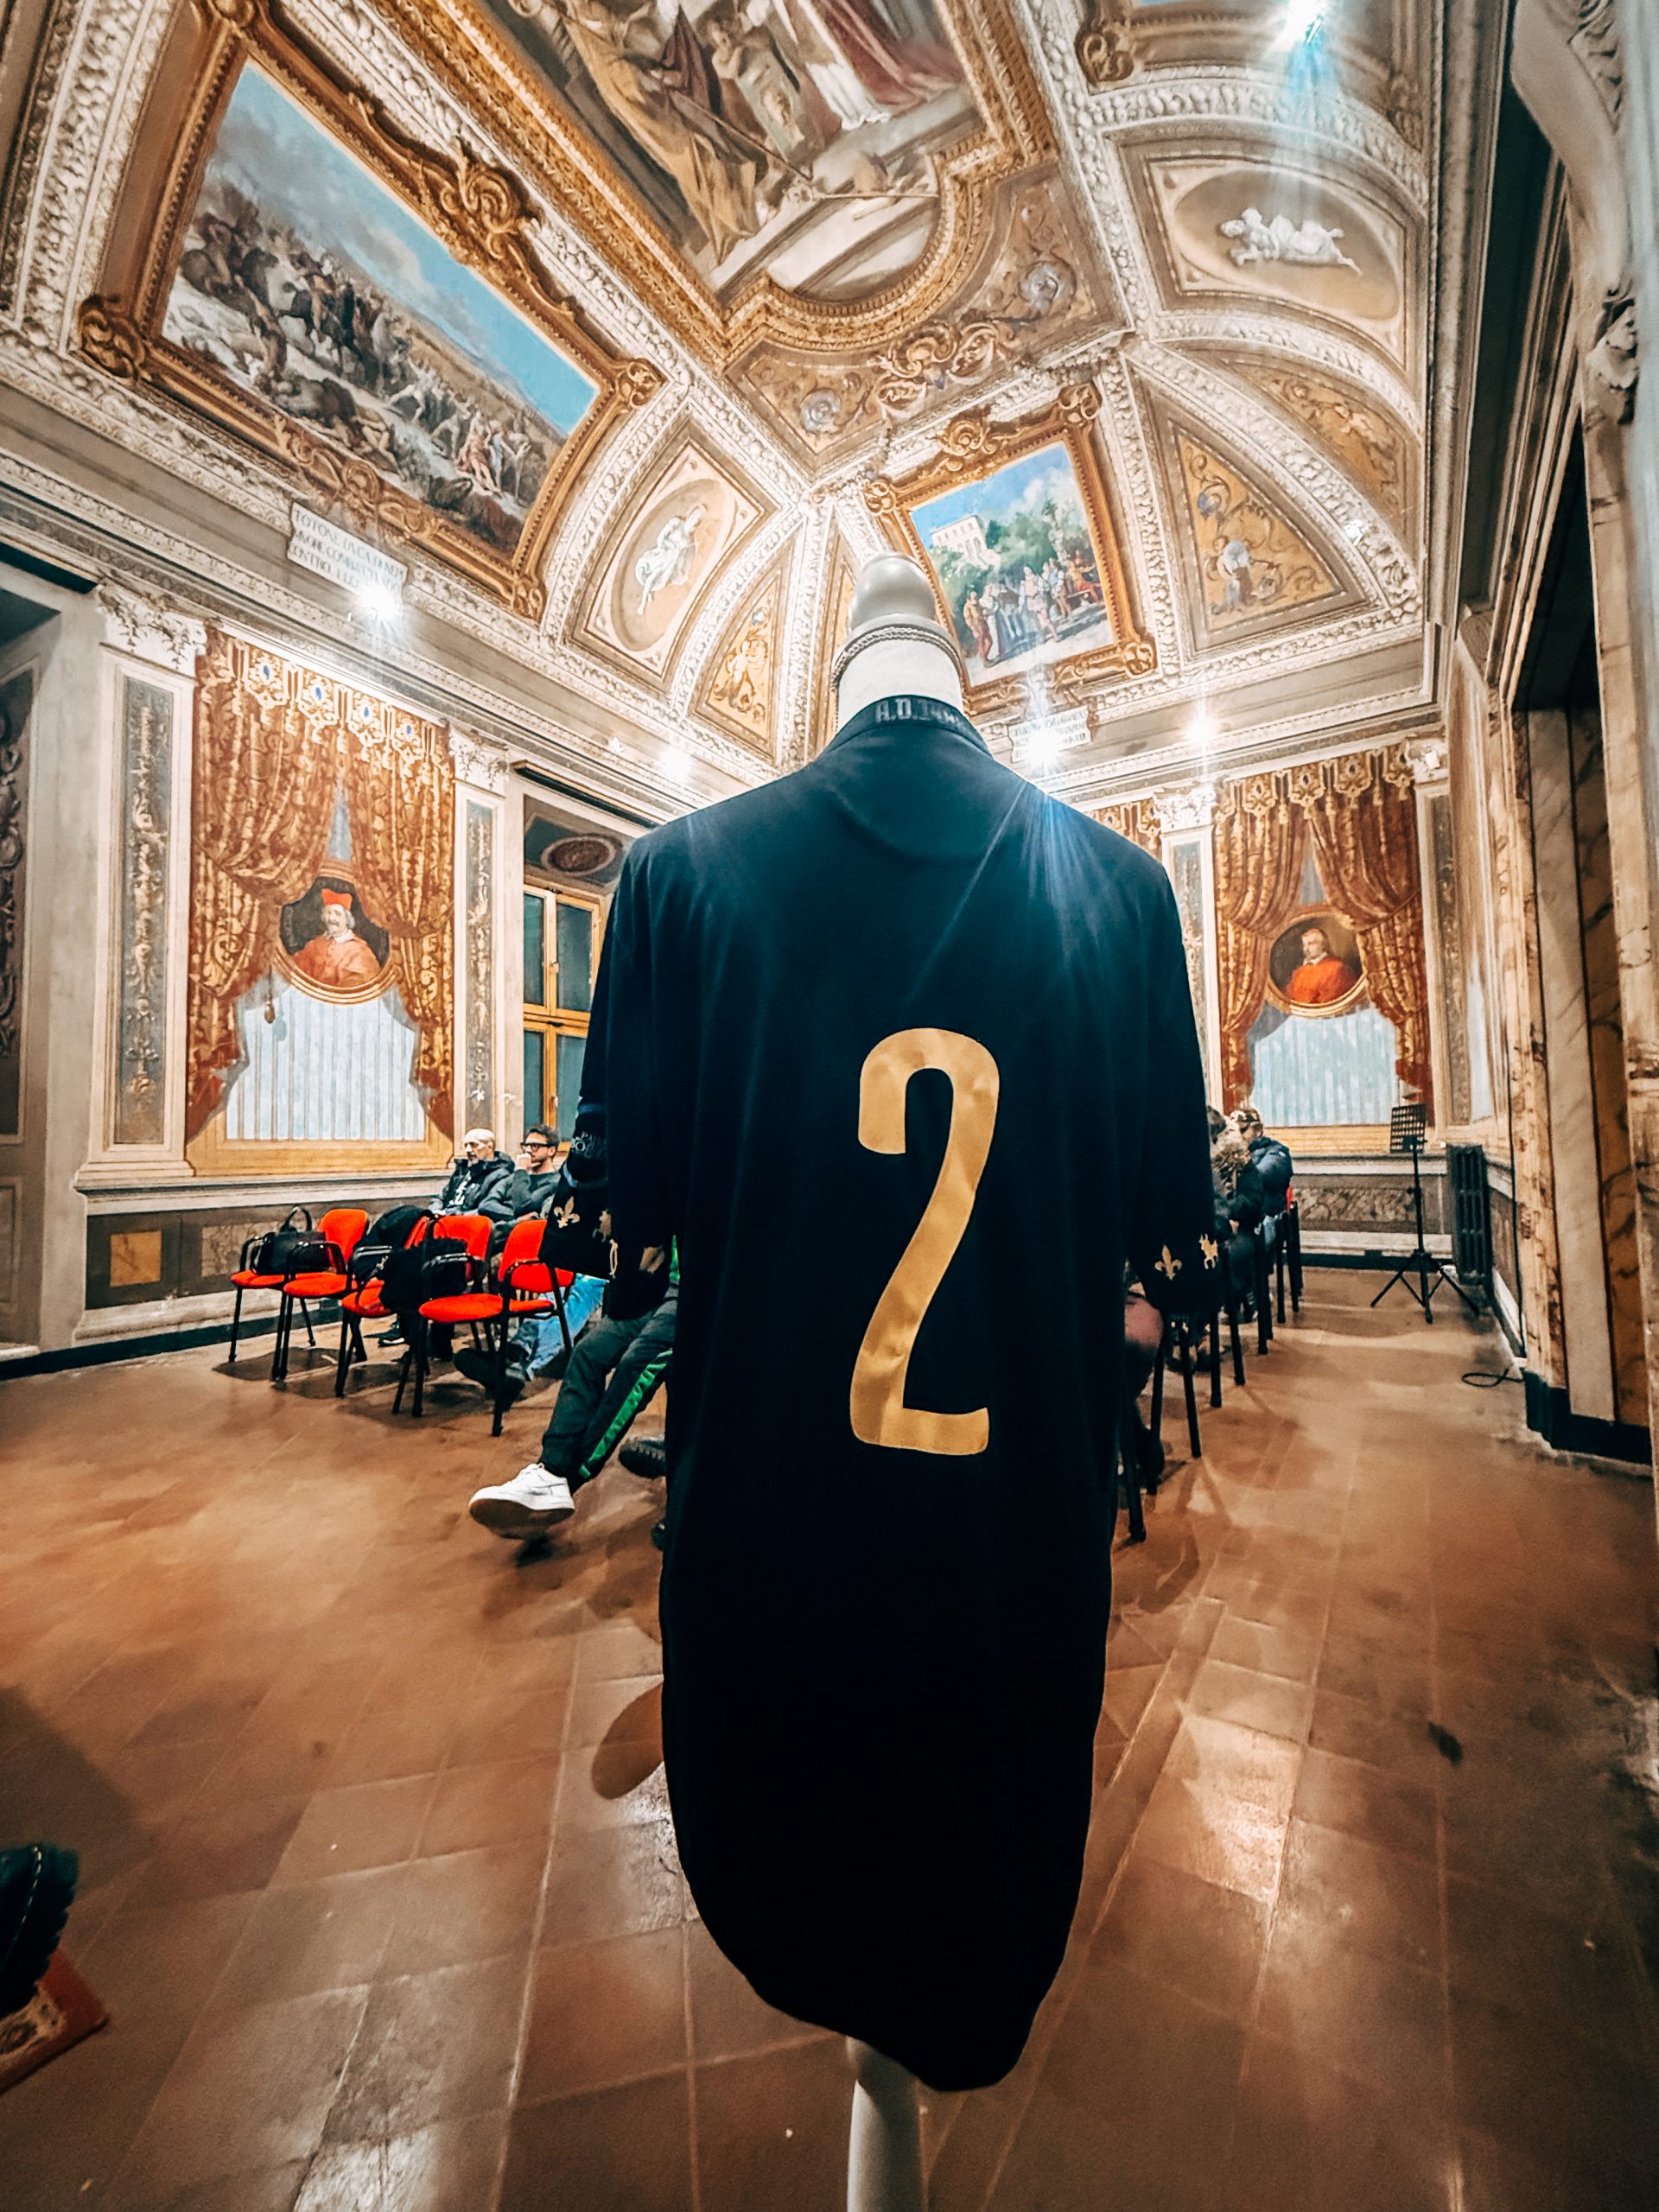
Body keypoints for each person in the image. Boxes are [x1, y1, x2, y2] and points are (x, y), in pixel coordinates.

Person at [467, 1248, 677, 1536]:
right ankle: (549, 1469)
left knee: (636, 1367)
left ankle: (566, 1478)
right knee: (587, 1352)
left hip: (697, 1294)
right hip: (654, 1288)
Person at [291, 891, 380, 989]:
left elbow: (353, 991)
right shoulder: (315, 944)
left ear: (347, 919)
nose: (331, 918)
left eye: (337, 914)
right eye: (328, 913)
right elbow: (295, 971)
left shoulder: (360, 952)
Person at [435, 1128, 515, 1214]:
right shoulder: (462, 1171)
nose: (468, 1150)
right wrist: (434, 1211)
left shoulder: (501, 1175)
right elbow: (441, 1198)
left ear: (490, 1146)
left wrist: (456, 1215)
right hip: (446, 1216)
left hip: (467, 1219)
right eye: (466, 1145)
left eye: (474, 1145)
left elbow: (488, 1208)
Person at [1285, 923, 1360, 1006]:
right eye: (1304, 945)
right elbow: (1288, 999)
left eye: (1311, 944)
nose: (1306, 949)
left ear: (1323, 945)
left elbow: (1329, 1003)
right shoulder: (1299, 972)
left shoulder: (1338, 968)